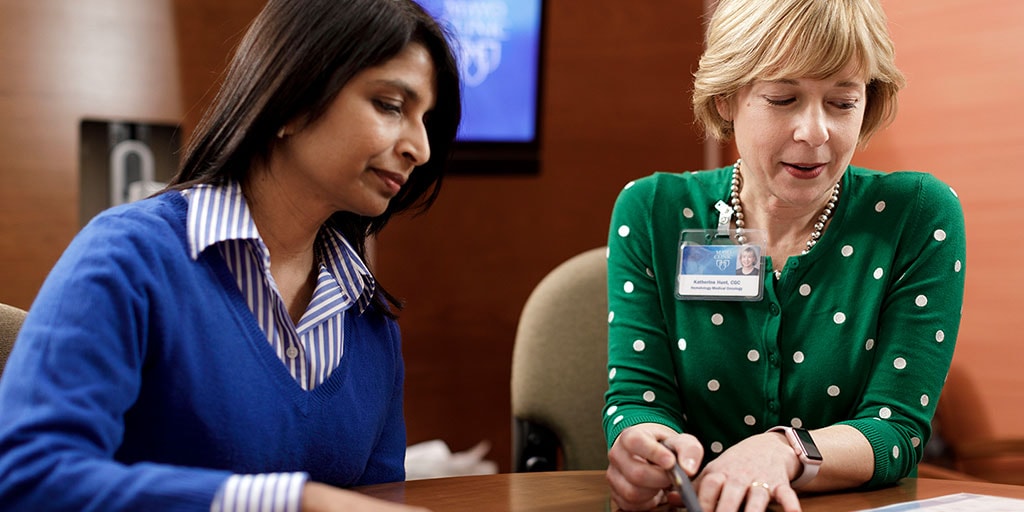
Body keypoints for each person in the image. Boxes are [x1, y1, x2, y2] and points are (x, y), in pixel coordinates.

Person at [0, 0, 460, 510]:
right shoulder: (128, 257)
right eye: (391, 105)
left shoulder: (371, 327)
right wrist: (292, 502)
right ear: (291, 100)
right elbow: (28, 478)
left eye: (427, 121)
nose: (420, 147)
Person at [602, 1, 965, 511]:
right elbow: (639, 400)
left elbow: (897, 428)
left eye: (842, 103)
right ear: (727, 97)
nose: (815, 133)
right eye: (783, 98)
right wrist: (643, 446)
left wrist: (786, 451)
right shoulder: (654, 211)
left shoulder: (916, 215)